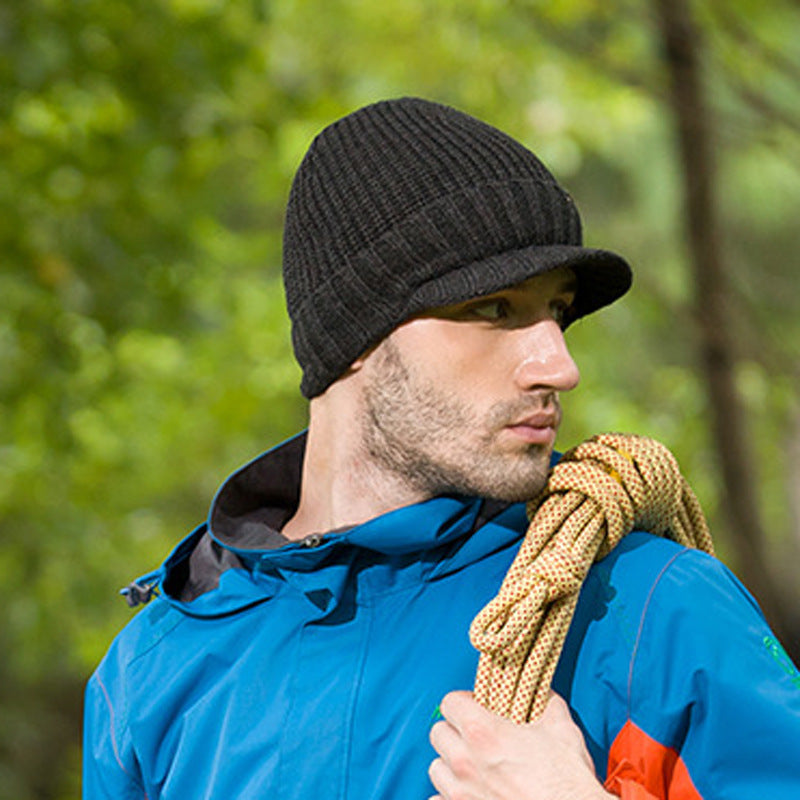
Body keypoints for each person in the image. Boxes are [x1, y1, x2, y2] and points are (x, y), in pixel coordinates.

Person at [83, 97, 800, 799]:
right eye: (493, 309)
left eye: (557, 311)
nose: (559, 365)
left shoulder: (651, 608)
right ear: (356, 336)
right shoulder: (153, 670)